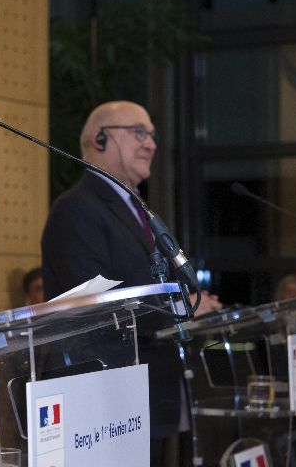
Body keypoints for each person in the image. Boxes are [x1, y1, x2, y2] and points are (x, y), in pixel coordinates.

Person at [40, 101, 221, 466]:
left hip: (146, 394)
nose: (151, 144)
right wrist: (182, 308)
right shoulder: (76, 209)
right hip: (103, 403)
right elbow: (95, 307)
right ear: (100, 139)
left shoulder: (138, 208)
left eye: (152, 135)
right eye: (139, 133)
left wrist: (188, 305)